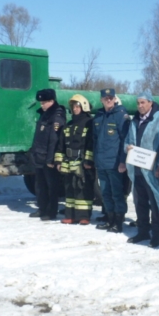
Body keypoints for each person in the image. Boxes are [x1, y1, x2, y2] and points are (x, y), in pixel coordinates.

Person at [125, 91, 159, 248]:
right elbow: (127, 140)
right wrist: (128, 147)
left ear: (151, 103)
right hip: (136, 168)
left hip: (152, 171)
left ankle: (157, 233)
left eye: (143, 103)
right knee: (140, 203)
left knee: (155, 203)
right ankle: (143, 230)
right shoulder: (134, 121)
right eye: (138, 103)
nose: (140, 106)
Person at [54, 94, 96, 225]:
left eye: (77, 106)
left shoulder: (89, 123)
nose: (75, 109)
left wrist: (88, 161)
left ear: (83, 107)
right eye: (73, 107)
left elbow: (91, 143)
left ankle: (84, 216)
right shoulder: (69, 125)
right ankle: (70, 215)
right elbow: (60, 144)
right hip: (68, 162)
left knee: (83, 189)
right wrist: (59, 161)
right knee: (69, 189)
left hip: (83, 163)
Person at [92, 88, 129, 233]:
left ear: (115, 99)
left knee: (117, 193)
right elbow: (95, 139)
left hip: (115, 163)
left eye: (110, 98)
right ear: (101, 100)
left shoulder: (120, 115)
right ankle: (109, 218)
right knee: (105, 193)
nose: (108, 100)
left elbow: (125, 140)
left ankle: (118, 222)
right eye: (105, 98)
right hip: (101, 162)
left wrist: (123, 161)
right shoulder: (99, 116)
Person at [29, 88, 66, 221]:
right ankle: (42, 208)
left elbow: (54, 140)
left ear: (51, 101)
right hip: (39, 156)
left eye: (44, 102)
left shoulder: (57, 115)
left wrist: (51, 159)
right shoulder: (44, 114)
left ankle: (51, 212)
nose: (41, 105)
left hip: (48, 158)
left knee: (51, 186)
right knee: (40, 185)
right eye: (40, 102)